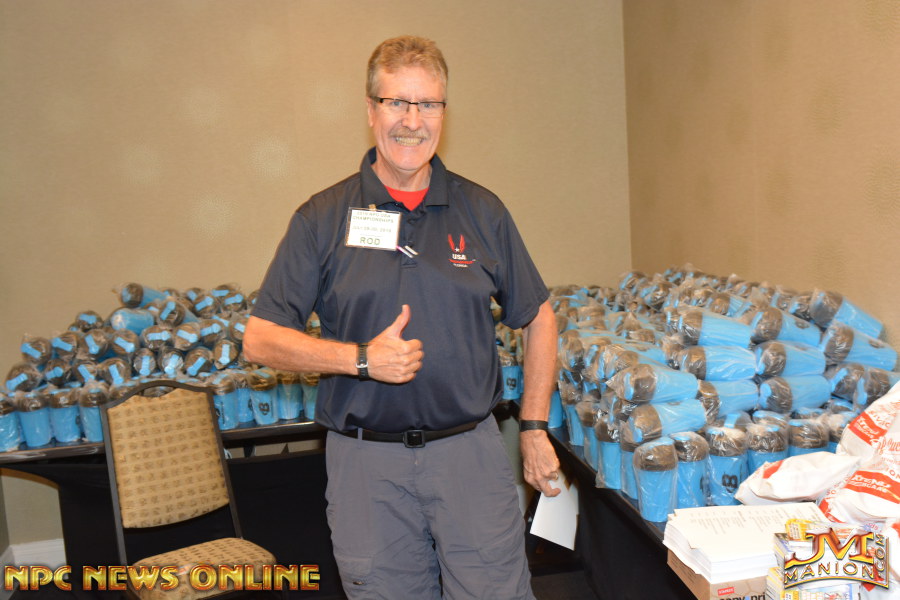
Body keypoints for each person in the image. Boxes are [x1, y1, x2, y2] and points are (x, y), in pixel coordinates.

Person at [243, 35, 560, 600]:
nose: (412, 121)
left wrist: (533, 427)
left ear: (443, 113)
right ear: (371, 111)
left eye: (427, 104)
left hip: (470, 455)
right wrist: (361, 359)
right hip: (366, 466)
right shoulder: (322, 218)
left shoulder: (482, 211)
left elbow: (538, 316)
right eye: (397, 103)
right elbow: (260, 339)